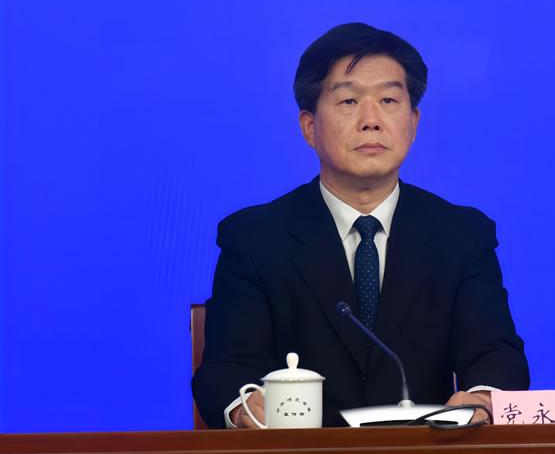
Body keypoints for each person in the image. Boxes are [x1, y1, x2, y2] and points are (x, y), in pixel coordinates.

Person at [192, 22, 529, 429]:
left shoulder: (462, 236)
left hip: (427, 451)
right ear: (309, 126)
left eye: (388, 100)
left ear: (413, 122)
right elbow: (226, 369)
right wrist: (245, 407)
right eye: (349, 101)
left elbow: (496, 354)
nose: (371, 120)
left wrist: (484, 398)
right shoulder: (254, 239)